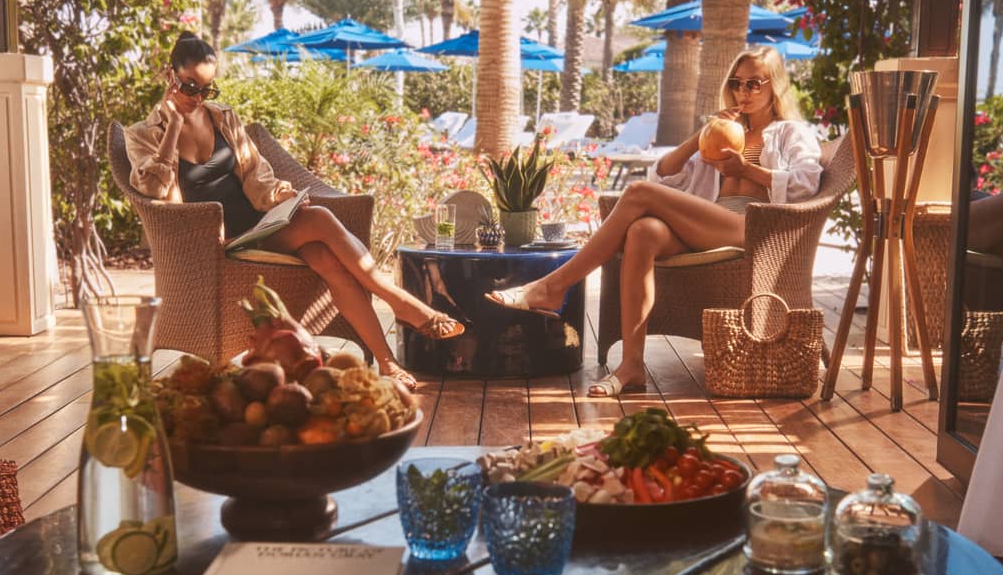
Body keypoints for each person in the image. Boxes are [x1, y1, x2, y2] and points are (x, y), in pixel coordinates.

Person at [125, 32, 463, 390]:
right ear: (169, 76)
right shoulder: (142, 134)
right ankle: (399, 303)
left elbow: (258, 178)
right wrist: (174, 126)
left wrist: (283, 197)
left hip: (257, 228)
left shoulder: (224, 118)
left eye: (207, 90)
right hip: (213, 241)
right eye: (190, 86)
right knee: (319, 221)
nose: (197, 98)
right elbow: (153, 189)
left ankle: (387, 362)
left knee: (324, 255)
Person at [487, 46, 823, 397]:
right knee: (643, 231)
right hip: (709, 221)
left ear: (775, 87)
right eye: (737, 83)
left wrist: (748, 170)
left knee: (637, 192)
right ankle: (632, 366)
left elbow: (807, 182)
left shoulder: (790, 133)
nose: (743, 92)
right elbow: (664, 174)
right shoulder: (724, 132)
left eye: (755, 84)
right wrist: (703, 134)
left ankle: (554, 286)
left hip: (752, 227)